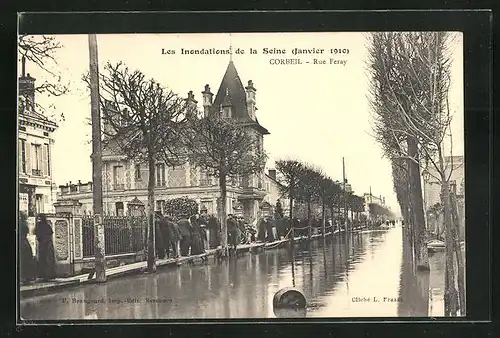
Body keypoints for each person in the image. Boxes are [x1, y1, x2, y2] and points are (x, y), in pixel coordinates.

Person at [35, 213, 56, 281]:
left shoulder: (42, 226)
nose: (39, 220)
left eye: (40, 219)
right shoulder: (45, 226)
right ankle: (46, 275)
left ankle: (47, 275)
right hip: (45, 245)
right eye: (38, 219)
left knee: (46, 260)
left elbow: (38, 235)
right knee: (45, 260)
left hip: (45, 245)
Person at [20, 211, 36, 284]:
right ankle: (27, 277)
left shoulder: (20, 223)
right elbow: (28, 232)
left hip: (22, 242)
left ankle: (24, 277)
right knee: (27, 260)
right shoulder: (23, 224)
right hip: (24, 243)